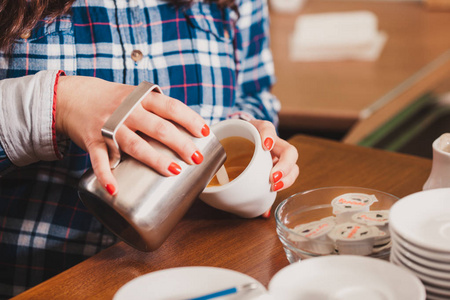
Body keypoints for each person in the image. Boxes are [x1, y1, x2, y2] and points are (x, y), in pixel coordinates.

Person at [0, 0, 299, 297]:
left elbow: (253, 93)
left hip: (203, 275)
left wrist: (249, 139)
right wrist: (58, 104)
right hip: (44, 280)